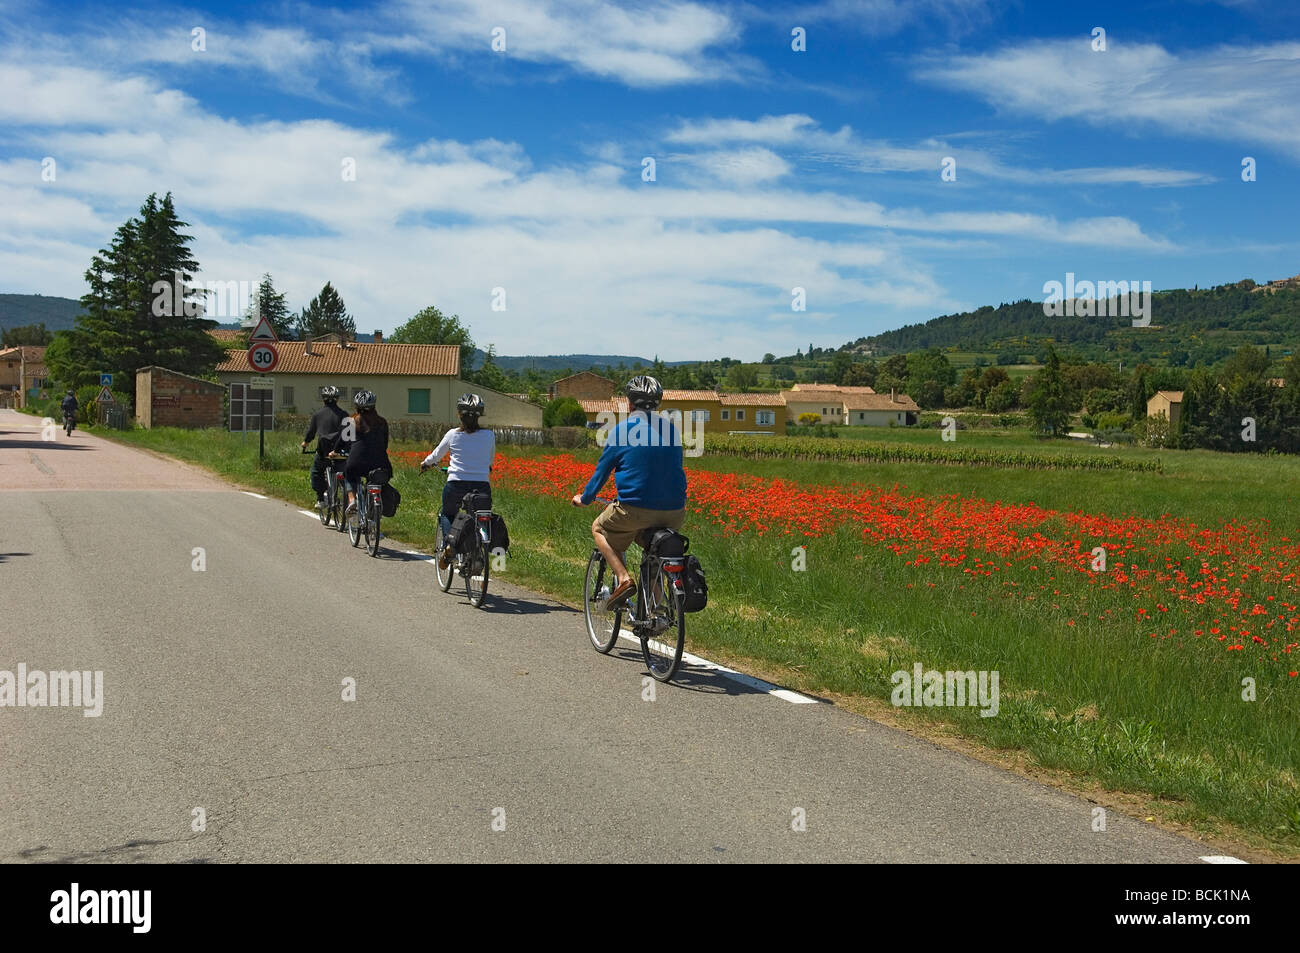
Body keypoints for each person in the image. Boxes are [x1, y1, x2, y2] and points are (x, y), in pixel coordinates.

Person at [571, 375, 687, 610]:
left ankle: (623, 579)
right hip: (675, 512)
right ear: (657, 404)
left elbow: (601, 472)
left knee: (599, 528)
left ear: (629, 403)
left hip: (634, 509)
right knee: (651, 544)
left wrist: (584, 499)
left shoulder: (622, 430)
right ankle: (656, 610)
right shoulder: (672, 431)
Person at [421, 394, 495, 570]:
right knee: (479, 517)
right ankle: (478, 549)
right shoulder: (489, 435)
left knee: (448, 513)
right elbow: (490, 460)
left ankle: (450, 546)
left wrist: (426, 464)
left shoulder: (452, 435)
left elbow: (436, 455)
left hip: (456, 484)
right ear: (479, 415)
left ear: (459, 414)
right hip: (481, 486)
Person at [342, 391, 392, 516]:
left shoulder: (351, 421)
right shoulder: (382, 422)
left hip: (357, 463)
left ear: (357, 407)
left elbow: (343, 442)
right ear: (374, 406)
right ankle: (374, 512)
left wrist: (335, 451)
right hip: (380, 463)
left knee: (348, 474)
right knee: (376, 481)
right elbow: (384, 444)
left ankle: (352, 500)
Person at [301, 385, 348, 508]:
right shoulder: (344, 414)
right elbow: (348, 434)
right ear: (337, 399)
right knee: (343, 470)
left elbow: (311, 433)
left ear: (323, 399)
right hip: (340, 452)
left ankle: (321, 498)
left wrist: (305, 443)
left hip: (324, 451)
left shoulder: (317, 415)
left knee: (316, 471)